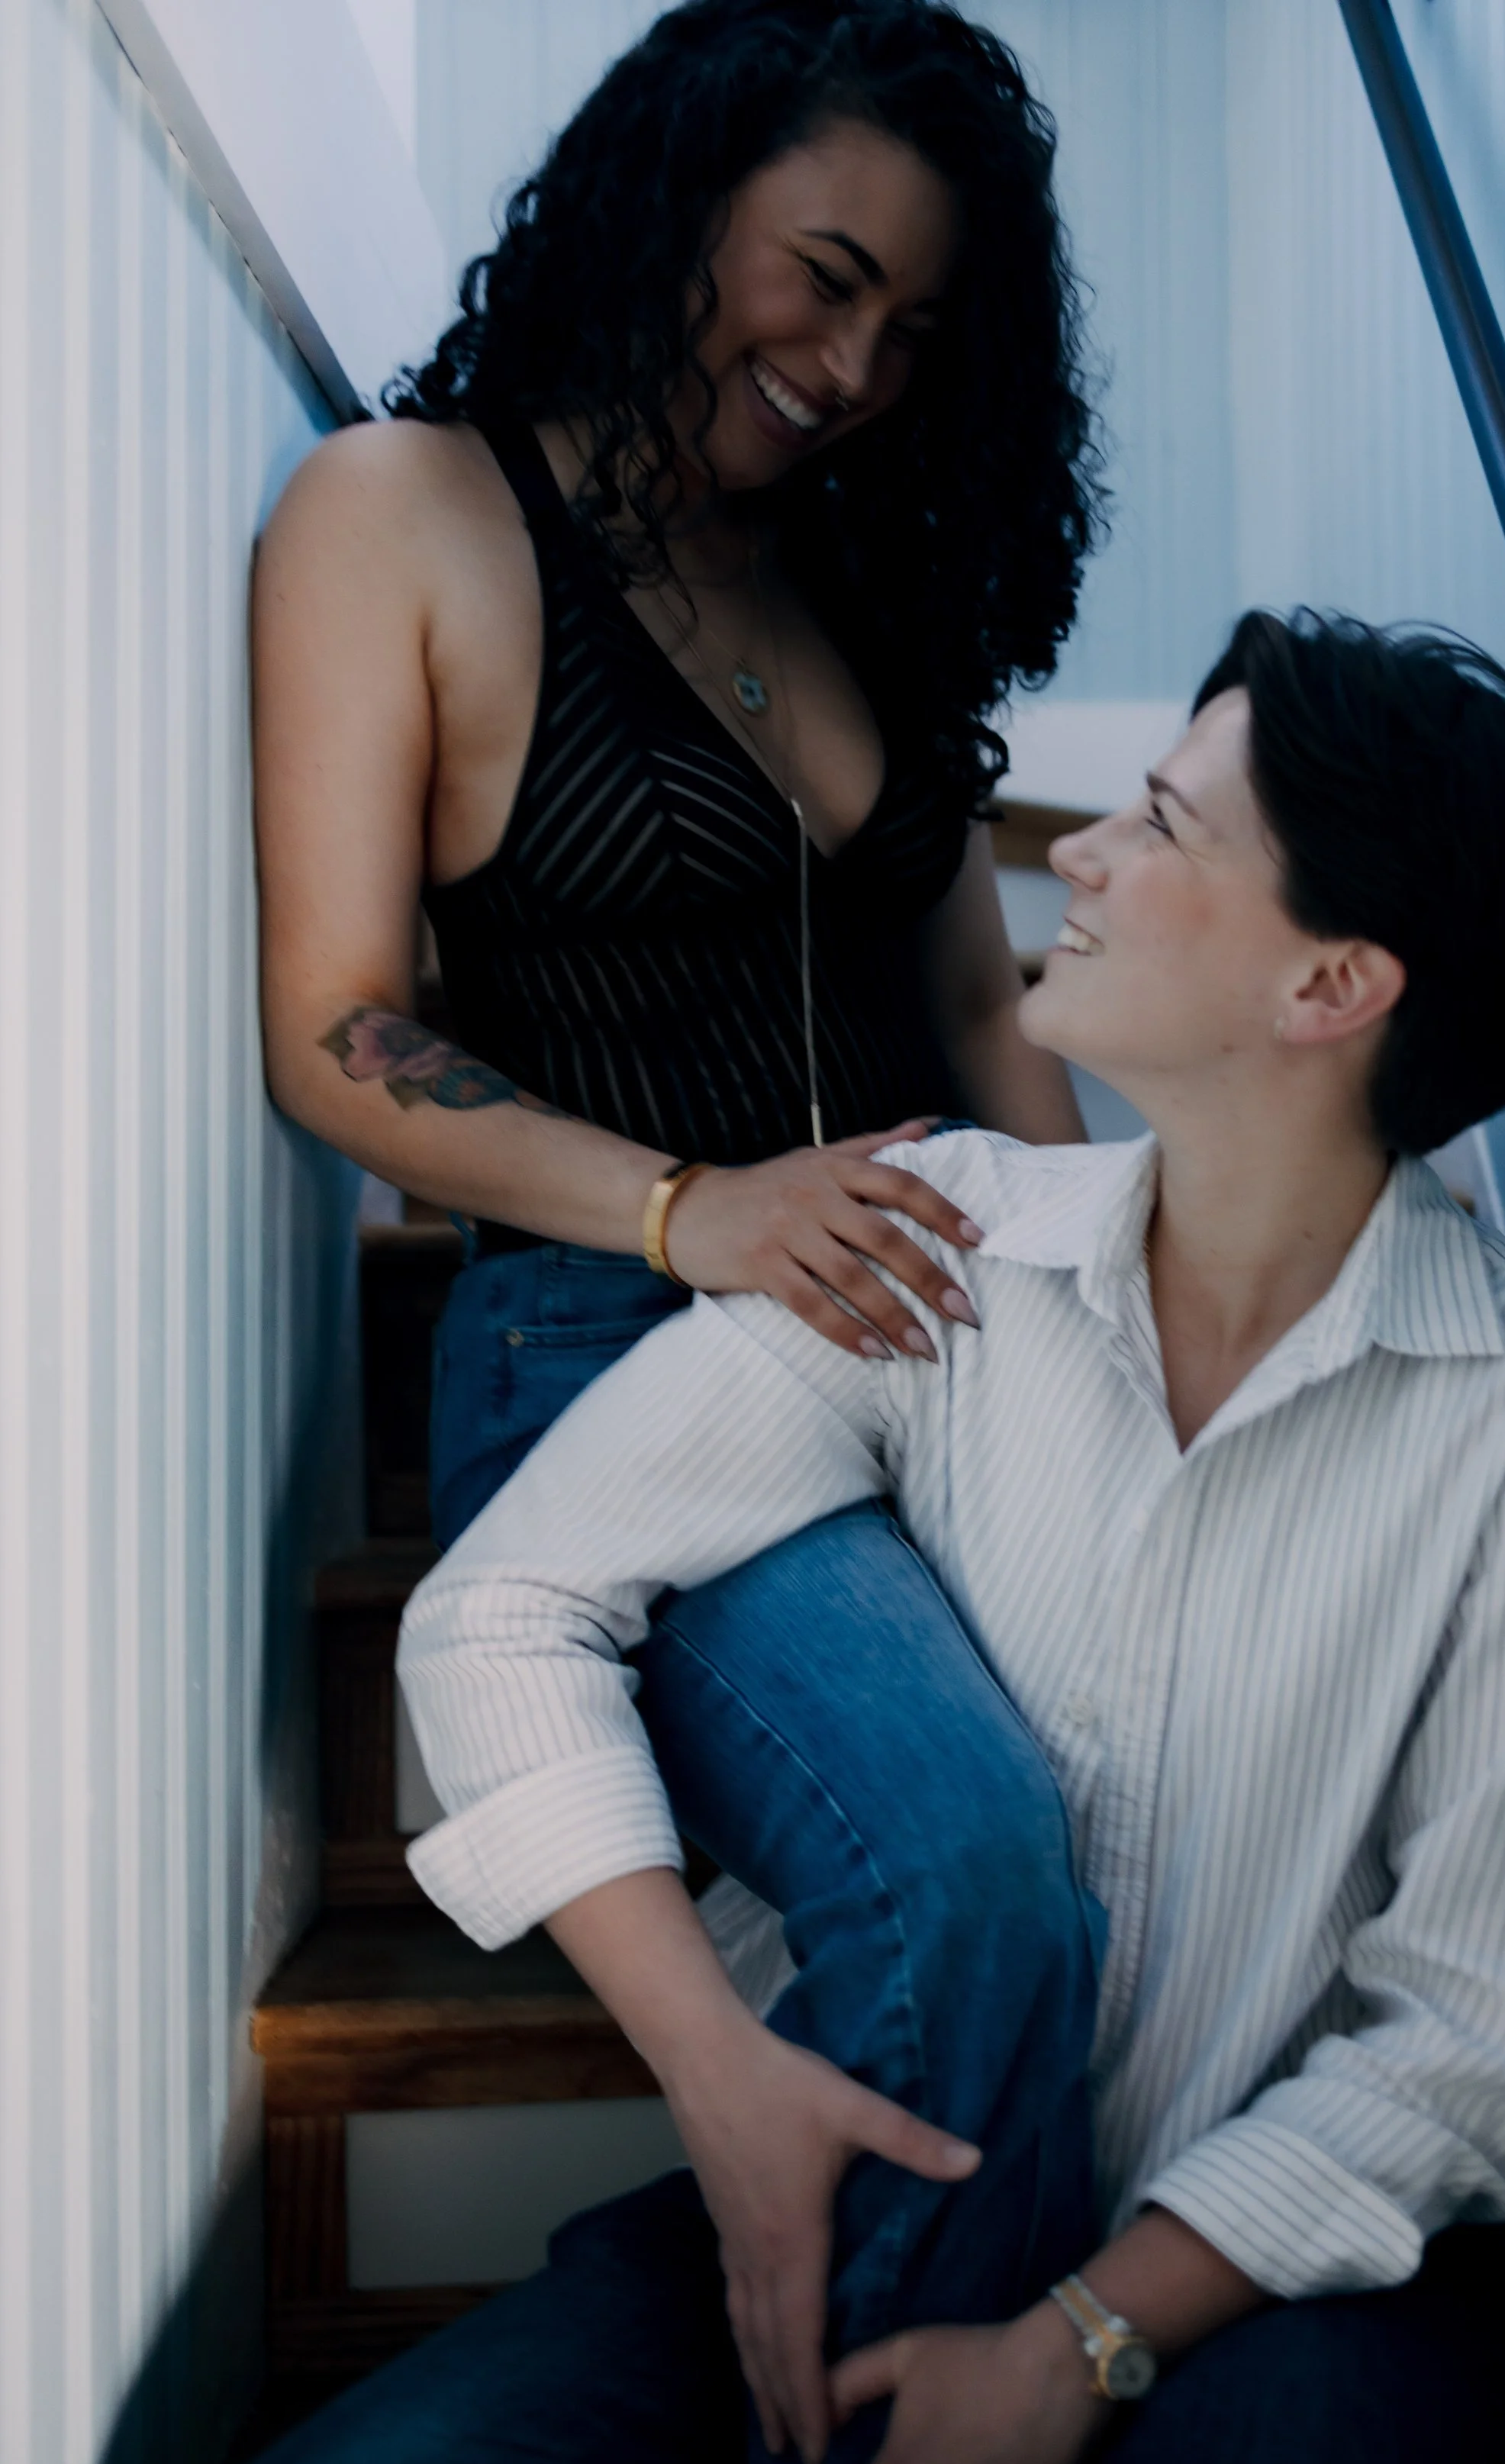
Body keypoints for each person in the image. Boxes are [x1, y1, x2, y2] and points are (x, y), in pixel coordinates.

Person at [121, 610, 1505, 2464]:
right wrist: (721, 2070)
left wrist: (1065, 2354)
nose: (1081, 856)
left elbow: (1473, 2046)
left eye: (1157, 820)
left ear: (1330, 983)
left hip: (1296, 2283)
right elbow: (503, 1601)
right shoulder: (939, 1234)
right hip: (854, 2189)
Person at [253, 0, 1098, 1549]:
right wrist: (688, 1203)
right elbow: (336, 1028)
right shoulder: (408, 510)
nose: (850, 366)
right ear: (673, 200)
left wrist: (1110, 1310)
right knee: (962, 1805)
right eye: (825, 279)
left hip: (936, 1339)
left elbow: (981, 1006)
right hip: (606, 1338)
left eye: (910, 331)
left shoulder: (867, 582)